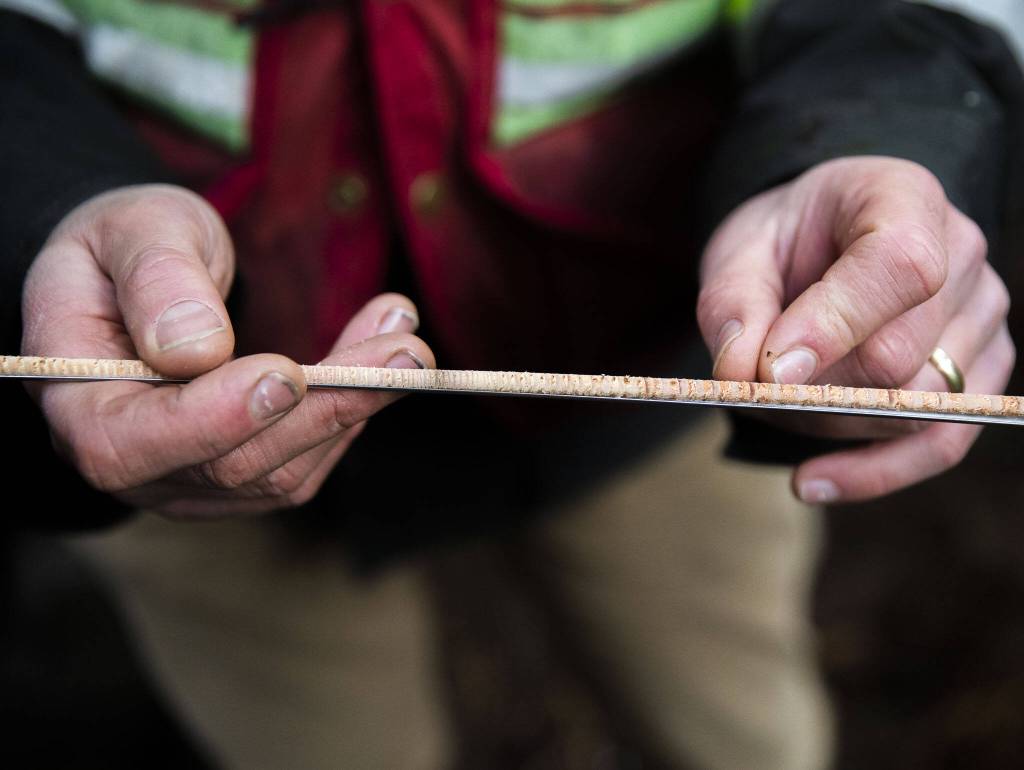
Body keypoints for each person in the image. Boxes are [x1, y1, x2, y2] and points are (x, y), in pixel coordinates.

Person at [1, 0, 1020, 768]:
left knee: (732, 722)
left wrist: (886, 128)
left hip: (653, 371)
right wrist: (42, 214)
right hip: (185, 447)